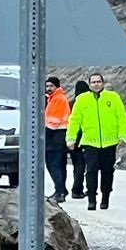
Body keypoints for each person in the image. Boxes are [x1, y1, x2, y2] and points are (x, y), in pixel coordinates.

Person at [66, 72, 126, 211]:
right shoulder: (82, 100)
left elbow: (122, 117)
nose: (96, 84)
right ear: (90, 84)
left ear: (103, 83)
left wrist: (123, 136)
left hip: (110, 142)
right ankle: (91, 199)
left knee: (107, 171)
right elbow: (74, 120)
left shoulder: (113, 97)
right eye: (93, 82)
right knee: (91, 170)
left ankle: (105, 197)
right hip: (90, 142)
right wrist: (71, 138)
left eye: (98, 81)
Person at [43, 76, 72, 204]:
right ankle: (61, 190)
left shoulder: (58, 99)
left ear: (57, 87)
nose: (48, 88)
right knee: (59, 165)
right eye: (47, 86)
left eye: (51, 86)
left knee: (53, 165)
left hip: (55, 135)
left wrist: (45, 134)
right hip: (59, 135)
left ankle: (59, 191)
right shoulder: (54, 98)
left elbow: (54, 121)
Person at [69, 80, 90, 200]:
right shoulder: (87, 104)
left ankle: (77, 189)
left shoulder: (70, 104)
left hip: (72, 140)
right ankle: (77, 190)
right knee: (82, 166)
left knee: (77, 165)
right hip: (84, 139)